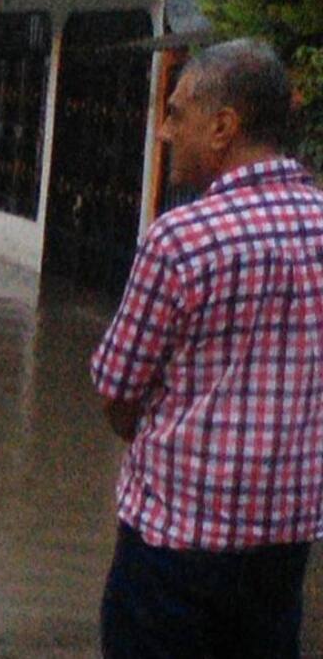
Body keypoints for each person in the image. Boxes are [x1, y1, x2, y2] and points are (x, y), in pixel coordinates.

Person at [91, 39, 323, 658]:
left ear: (222, 127)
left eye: (176, 113)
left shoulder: (181, 241)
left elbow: (116, 392)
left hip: (172, 557)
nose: (164, 132)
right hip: (283, 556)